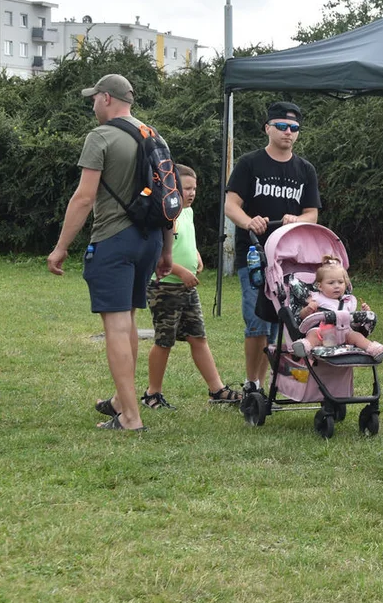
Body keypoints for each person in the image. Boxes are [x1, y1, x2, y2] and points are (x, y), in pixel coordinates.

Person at [47, 74, 172, 432]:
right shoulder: (154, 135)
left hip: (114, 239)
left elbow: (84, 197)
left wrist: (60, 248)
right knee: (128, 320)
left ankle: (130, 417)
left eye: (93, 98)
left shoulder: (100, 137)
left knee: (116, 326)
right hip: (148, 239)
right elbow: (167, 196)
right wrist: (165, 249)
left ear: (106, 98)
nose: (91, 105)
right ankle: (122, 400)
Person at [225, 101, 320, 393]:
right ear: (267, 128)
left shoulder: (305, 169)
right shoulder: (249, 163)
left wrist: (297, 219)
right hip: (254, 256)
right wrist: (248, 222)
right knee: (256, 322)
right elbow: (231, 205)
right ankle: (252, 382)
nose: (288, 132)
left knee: (279, 323)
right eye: (281, 126)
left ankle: (264, 383)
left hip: (288, 259)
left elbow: (312, 214)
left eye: (293, 128)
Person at [145, 165, 241, 409]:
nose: (192, 193)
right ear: (172, 188)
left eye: (194, 188)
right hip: (165, 286)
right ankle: (152, 393)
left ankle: (216, 389)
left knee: (198, 337)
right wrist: (180, 271)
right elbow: (155, 252)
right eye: (186, 188)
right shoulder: (164, 212)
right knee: (164, 341)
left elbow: (185, 240)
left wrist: (195, 254)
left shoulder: (187, 212)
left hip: (187, 289)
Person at [290, 254, 383, 361]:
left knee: (357, 337)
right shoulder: (315, 298)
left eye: (340, 282)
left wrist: (362, 314)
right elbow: (301, 316)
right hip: (322, 332)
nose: (337, 286)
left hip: (344, 333)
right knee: (313, 336)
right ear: (320, 286)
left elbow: (352, 322)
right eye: (331, 283)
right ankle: (304, 346)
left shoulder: (347, 301)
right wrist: (308, 309)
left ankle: (374, 349)